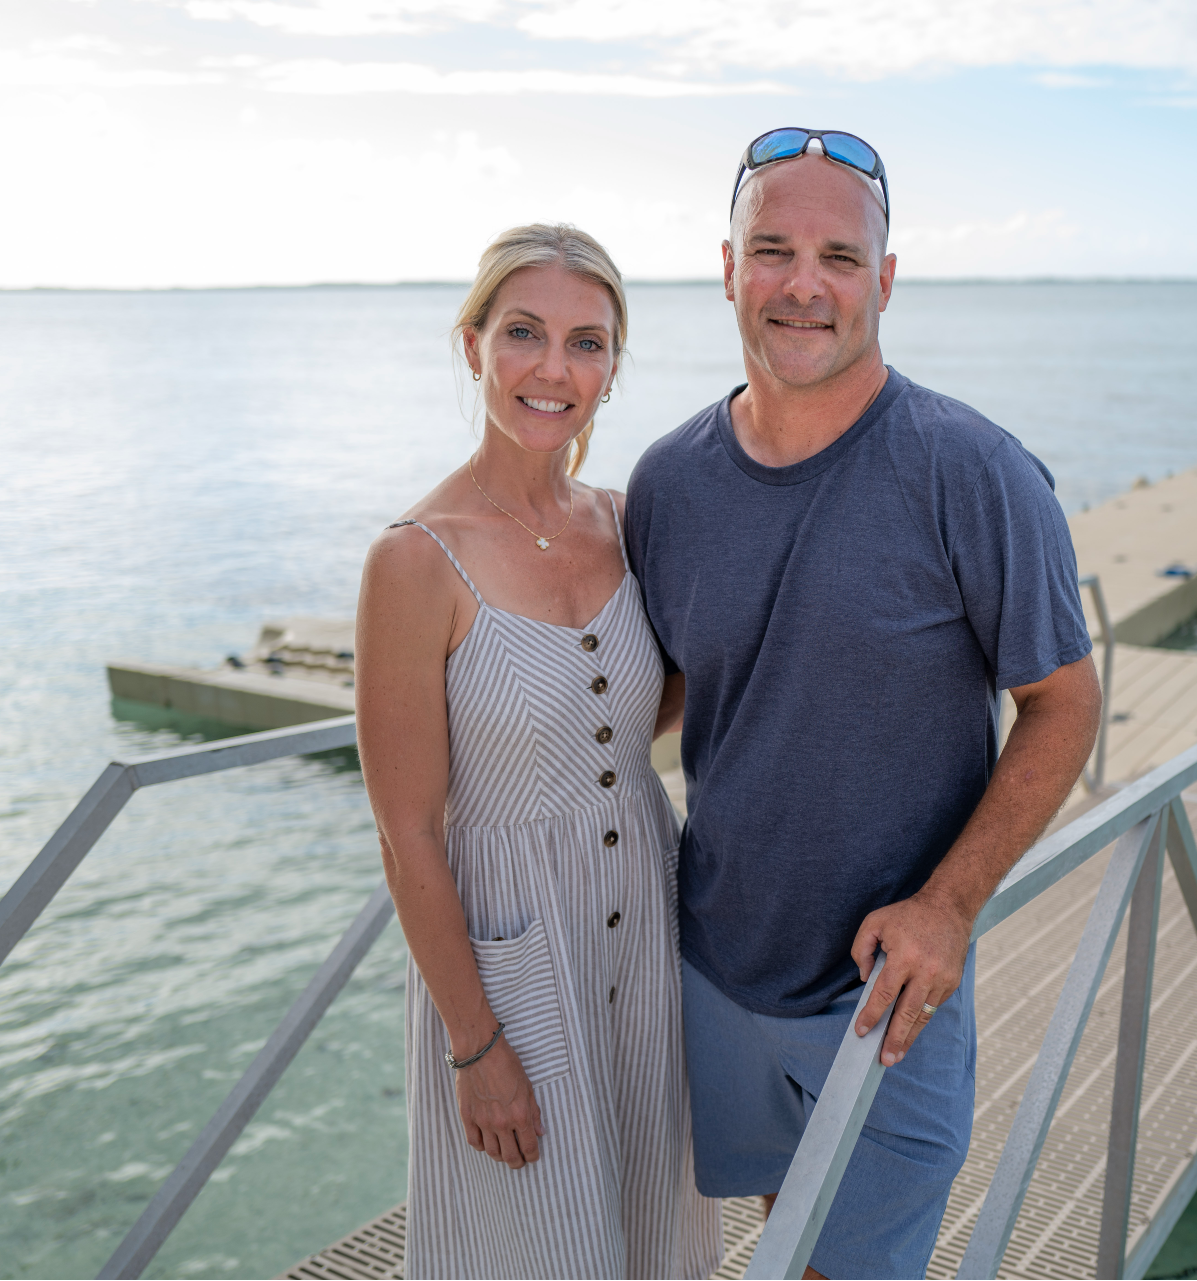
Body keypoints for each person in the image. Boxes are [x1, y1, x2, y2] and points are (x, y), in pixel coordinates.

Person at [624, 128, 1103, 1280]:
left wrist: (949, 907)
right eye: (774, 250)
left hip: (888, 995)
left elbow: (1063, 707)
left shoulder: (974, 472)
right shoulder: (665, 482)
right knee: (786, 1237)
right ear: (727, 267)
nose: (805, 284)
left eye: (840, 257)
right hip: (713, 959)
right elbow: (668, 689)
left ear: (884, 280)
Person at [355, 224, 719, 1280]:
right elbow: (407, 830)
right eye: (524, 333)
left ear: (611, 368)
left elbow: (645, 703)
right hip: (514, 964)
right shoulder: (416, 562)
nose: (554, 369)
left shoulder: (626, 521)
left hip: (650, 936)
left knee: (659, 1238)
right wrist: (476, 1046)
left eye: (587, 342)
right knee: (535, 1248)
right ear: (472, 346)